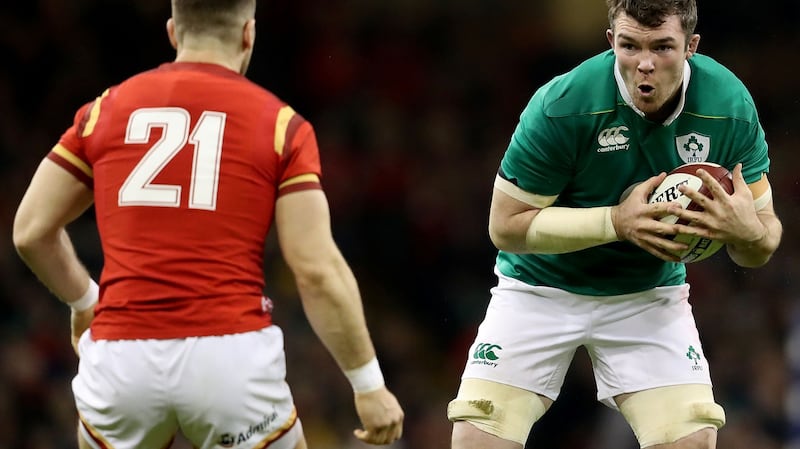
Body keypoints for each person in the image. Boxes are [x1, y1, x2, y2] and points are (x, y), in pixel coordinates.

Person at [12, 1, 404, 448]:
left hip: (122, 360)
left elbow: (30, 231)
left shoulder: (104, 111)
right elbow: (315, 268)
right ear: (248, 35)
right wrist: (368, 384)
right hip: (228, 360)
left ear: (173, 32)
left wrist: (84, 300)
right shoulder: (280, 126)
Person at [447, 0, 782, 448]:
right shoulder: (563, 104)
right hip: (540, 287)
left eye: (663, 47)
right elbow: (504, 227)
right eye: (630, 46)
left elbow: (762, 239)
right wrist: (616, 222)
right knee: (477, 436)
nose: (645, 64)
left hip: (647, 294)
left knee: (692, 439)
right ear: (611, 42)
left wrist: (747, 232)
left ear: (691, 47)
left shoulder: (728, 105)